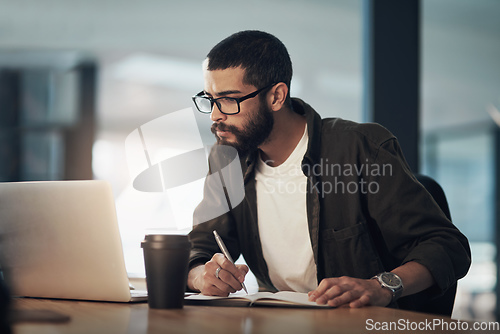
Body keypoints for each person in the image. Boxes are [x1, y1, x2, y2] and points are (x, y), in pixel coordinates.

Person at [187, 30, 471, 310]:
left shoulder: (360, 148)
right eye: (210, 100)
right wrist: (202, 275)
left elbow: (447, 246)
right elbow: (198, 246)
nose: (214, 115)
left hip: (356, 324)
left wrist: (381, 286)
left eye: (228, 100)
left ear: (276, 97)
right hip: (274, 319)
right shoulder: (227, 159)